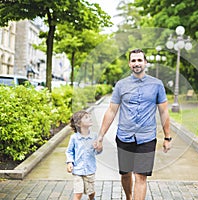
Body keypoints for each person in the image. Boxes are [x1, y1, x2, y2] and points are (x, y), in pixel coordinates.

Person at [96, 48, 172, 200]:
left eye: (139, 60)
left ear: (145, 62)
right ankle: (129, 197)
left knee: (141, 176)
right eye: (133, 60)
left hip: (147, 138)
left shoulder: (157, 85)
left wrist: (167, 137)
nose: (136, 63)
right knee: (125, 174)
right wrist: (100, 136)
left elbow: (164, 111)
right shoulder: (121, 85)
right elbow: (111, 111)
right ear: (129, 64)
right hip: (124, 137)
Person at [66, 110, 103, 200]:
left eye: (89, 117)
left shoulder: (94, 136)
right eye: (86, 117)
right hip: (78, 170)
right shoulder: (74, 138)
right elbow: (69, 151)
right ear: (78, 123)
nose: (90, 118)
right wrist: (69, 162)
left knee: (91, 192)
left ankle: (91, 198)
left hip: (90, 170)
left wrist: (98, 148)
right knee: (78, 193)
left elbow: (98, 151)